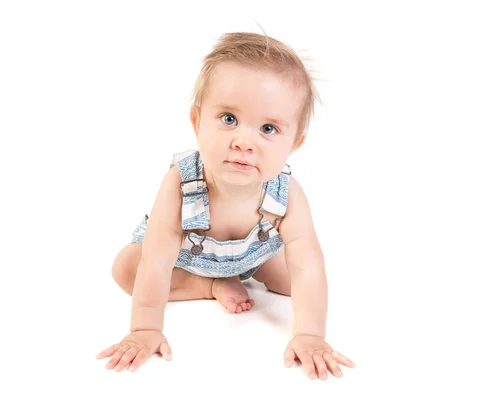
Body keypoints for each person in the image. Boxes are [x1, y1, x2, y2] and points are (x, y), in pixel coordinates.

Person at [96, 32, 355, 380]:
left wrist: (310, 336)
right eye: (229, 119)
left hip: (252, 254)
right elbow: (157, 260)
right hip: (185, 258)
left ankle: (250, 272)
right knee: (127, 268)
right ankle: (206, 286)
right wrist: (145, 328)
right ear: (197, 122)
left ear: (295, 143)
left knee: (299, 283)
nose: (244, 142)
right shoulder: (180, 183)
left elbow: (308, 267)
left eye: (268, 128)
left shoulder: (288, 195)